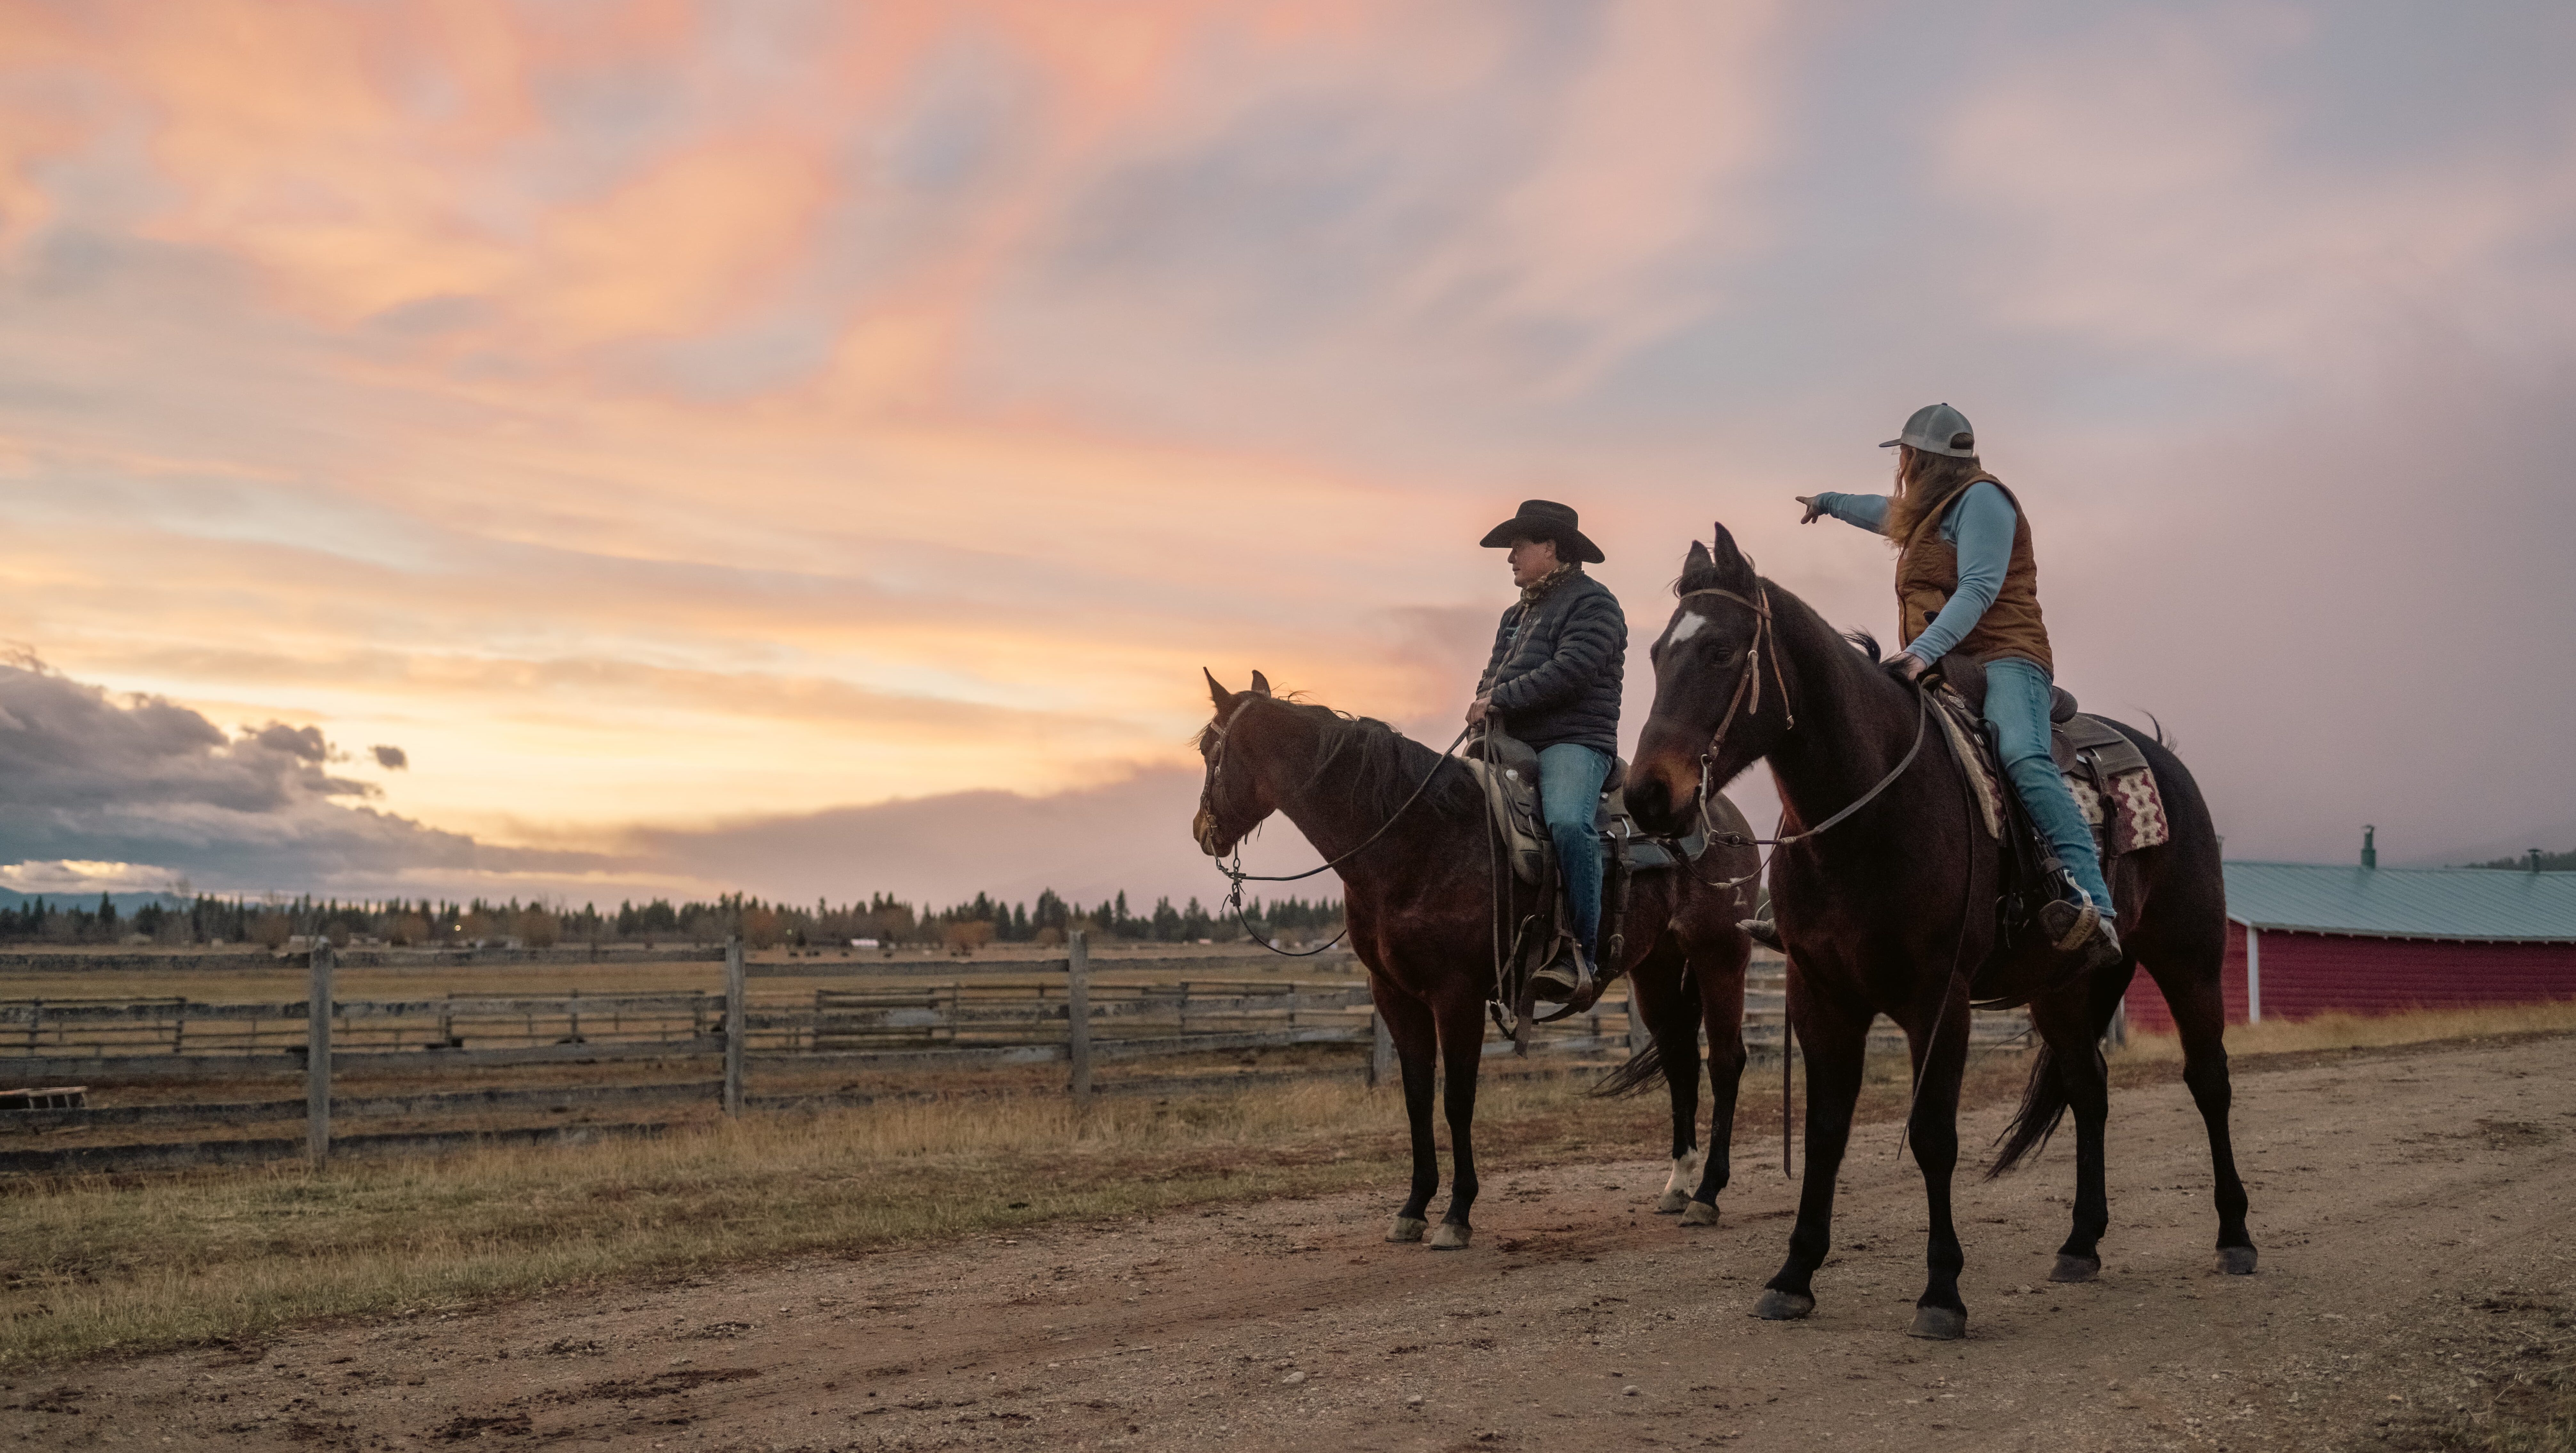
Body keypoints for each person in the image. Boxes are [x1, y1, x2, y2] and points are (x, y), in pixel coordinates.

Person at [1784, 403, 2121, 969]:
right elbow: (1881, 512)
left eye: (1906, 455)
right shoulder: (1927, 511)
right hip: (1946, 660)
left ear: (1919, 457)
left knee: (2020, 753)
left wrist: (1919, 654)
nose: (1904, 466)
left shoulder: (1985, 501)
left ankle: (2092, 903)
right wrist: (1828, 503)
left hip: (2007, 657)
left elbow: (1979, 588)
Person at [1469, 499, 1628, 999]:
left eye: (1518, 547)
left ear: (1550, 548)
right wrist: (1482, 710)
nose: (1510, 557)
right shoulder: (1515, 615)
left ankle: (1579, 950)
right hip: (1511, 742)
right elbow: (1491, 676)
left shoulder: (1595, 604)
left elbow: (1571, 670)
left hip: (1574, 741)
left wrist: (1499, 698)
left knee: (1565, 822)